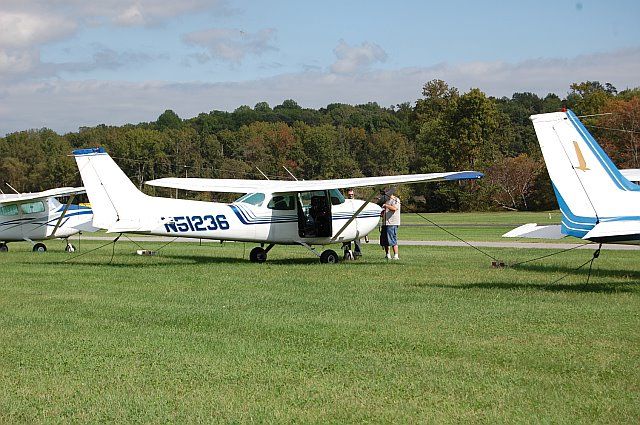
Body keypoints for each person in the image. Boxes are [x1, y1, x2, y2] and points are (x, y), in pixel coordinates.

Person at [342, 188, 362, 259]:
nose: (350, 196)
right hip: (347, 224)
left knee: (357, 239)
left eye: (352, 194)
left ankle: (357, 253)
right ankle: (347, 253)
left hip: (356, 224)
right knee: (346, 239)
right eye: (349, 195)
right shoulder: (345, 202)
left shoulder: (357, 202)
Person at [381, 192, 400, 260]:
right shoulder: (386, 201)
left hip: (392, 223)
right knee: (385, 240)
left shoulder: (396, 200)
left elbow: (394, 209)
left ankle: (396, 255)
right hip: (385, 223)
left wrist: (386, 206)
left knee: (392, 239)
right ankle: (387, 254)